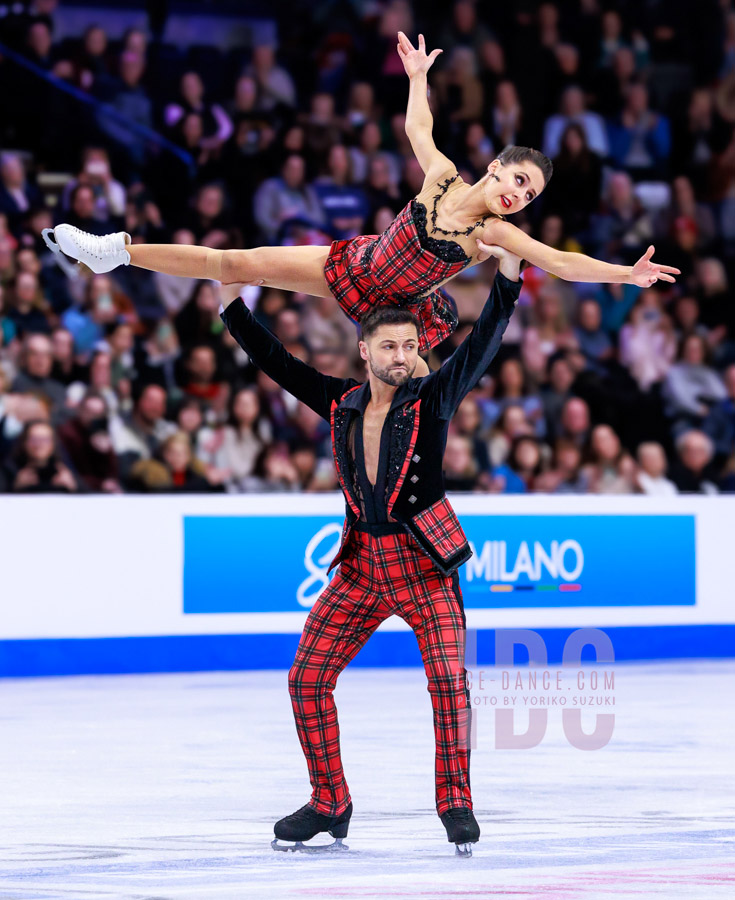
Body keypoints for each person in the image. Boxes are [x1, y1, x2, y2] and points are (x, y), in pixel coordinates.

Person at [47, 34, 679, 356]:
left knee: (412, 397)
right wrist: (417, 78)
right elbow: (418, 128)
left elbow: (561, 263)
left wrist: (627, 274)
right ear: (495, 167)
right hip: (354, 266)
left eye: (531, 193)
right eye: (518, 178)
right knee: (233, 263)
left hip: (398, 315)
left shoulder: (493, 233)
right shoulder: (443, 176)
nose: (520, 194)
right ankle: (115, 253)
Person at [219, 243, 524, 855]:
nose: (401, 356)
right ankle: (330, 801)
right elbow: (276, 362)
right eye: (388, 346)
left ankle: (455, 801)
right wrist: (231, 301)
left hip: (424, 566)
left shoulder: (433, 397)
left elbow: (484, 341)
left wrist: (509, 275)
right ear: (365, 350)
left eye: (409, 345)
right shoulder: (340, 403)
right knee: (307, 678)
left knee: (448, 682)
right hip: (360, 567)